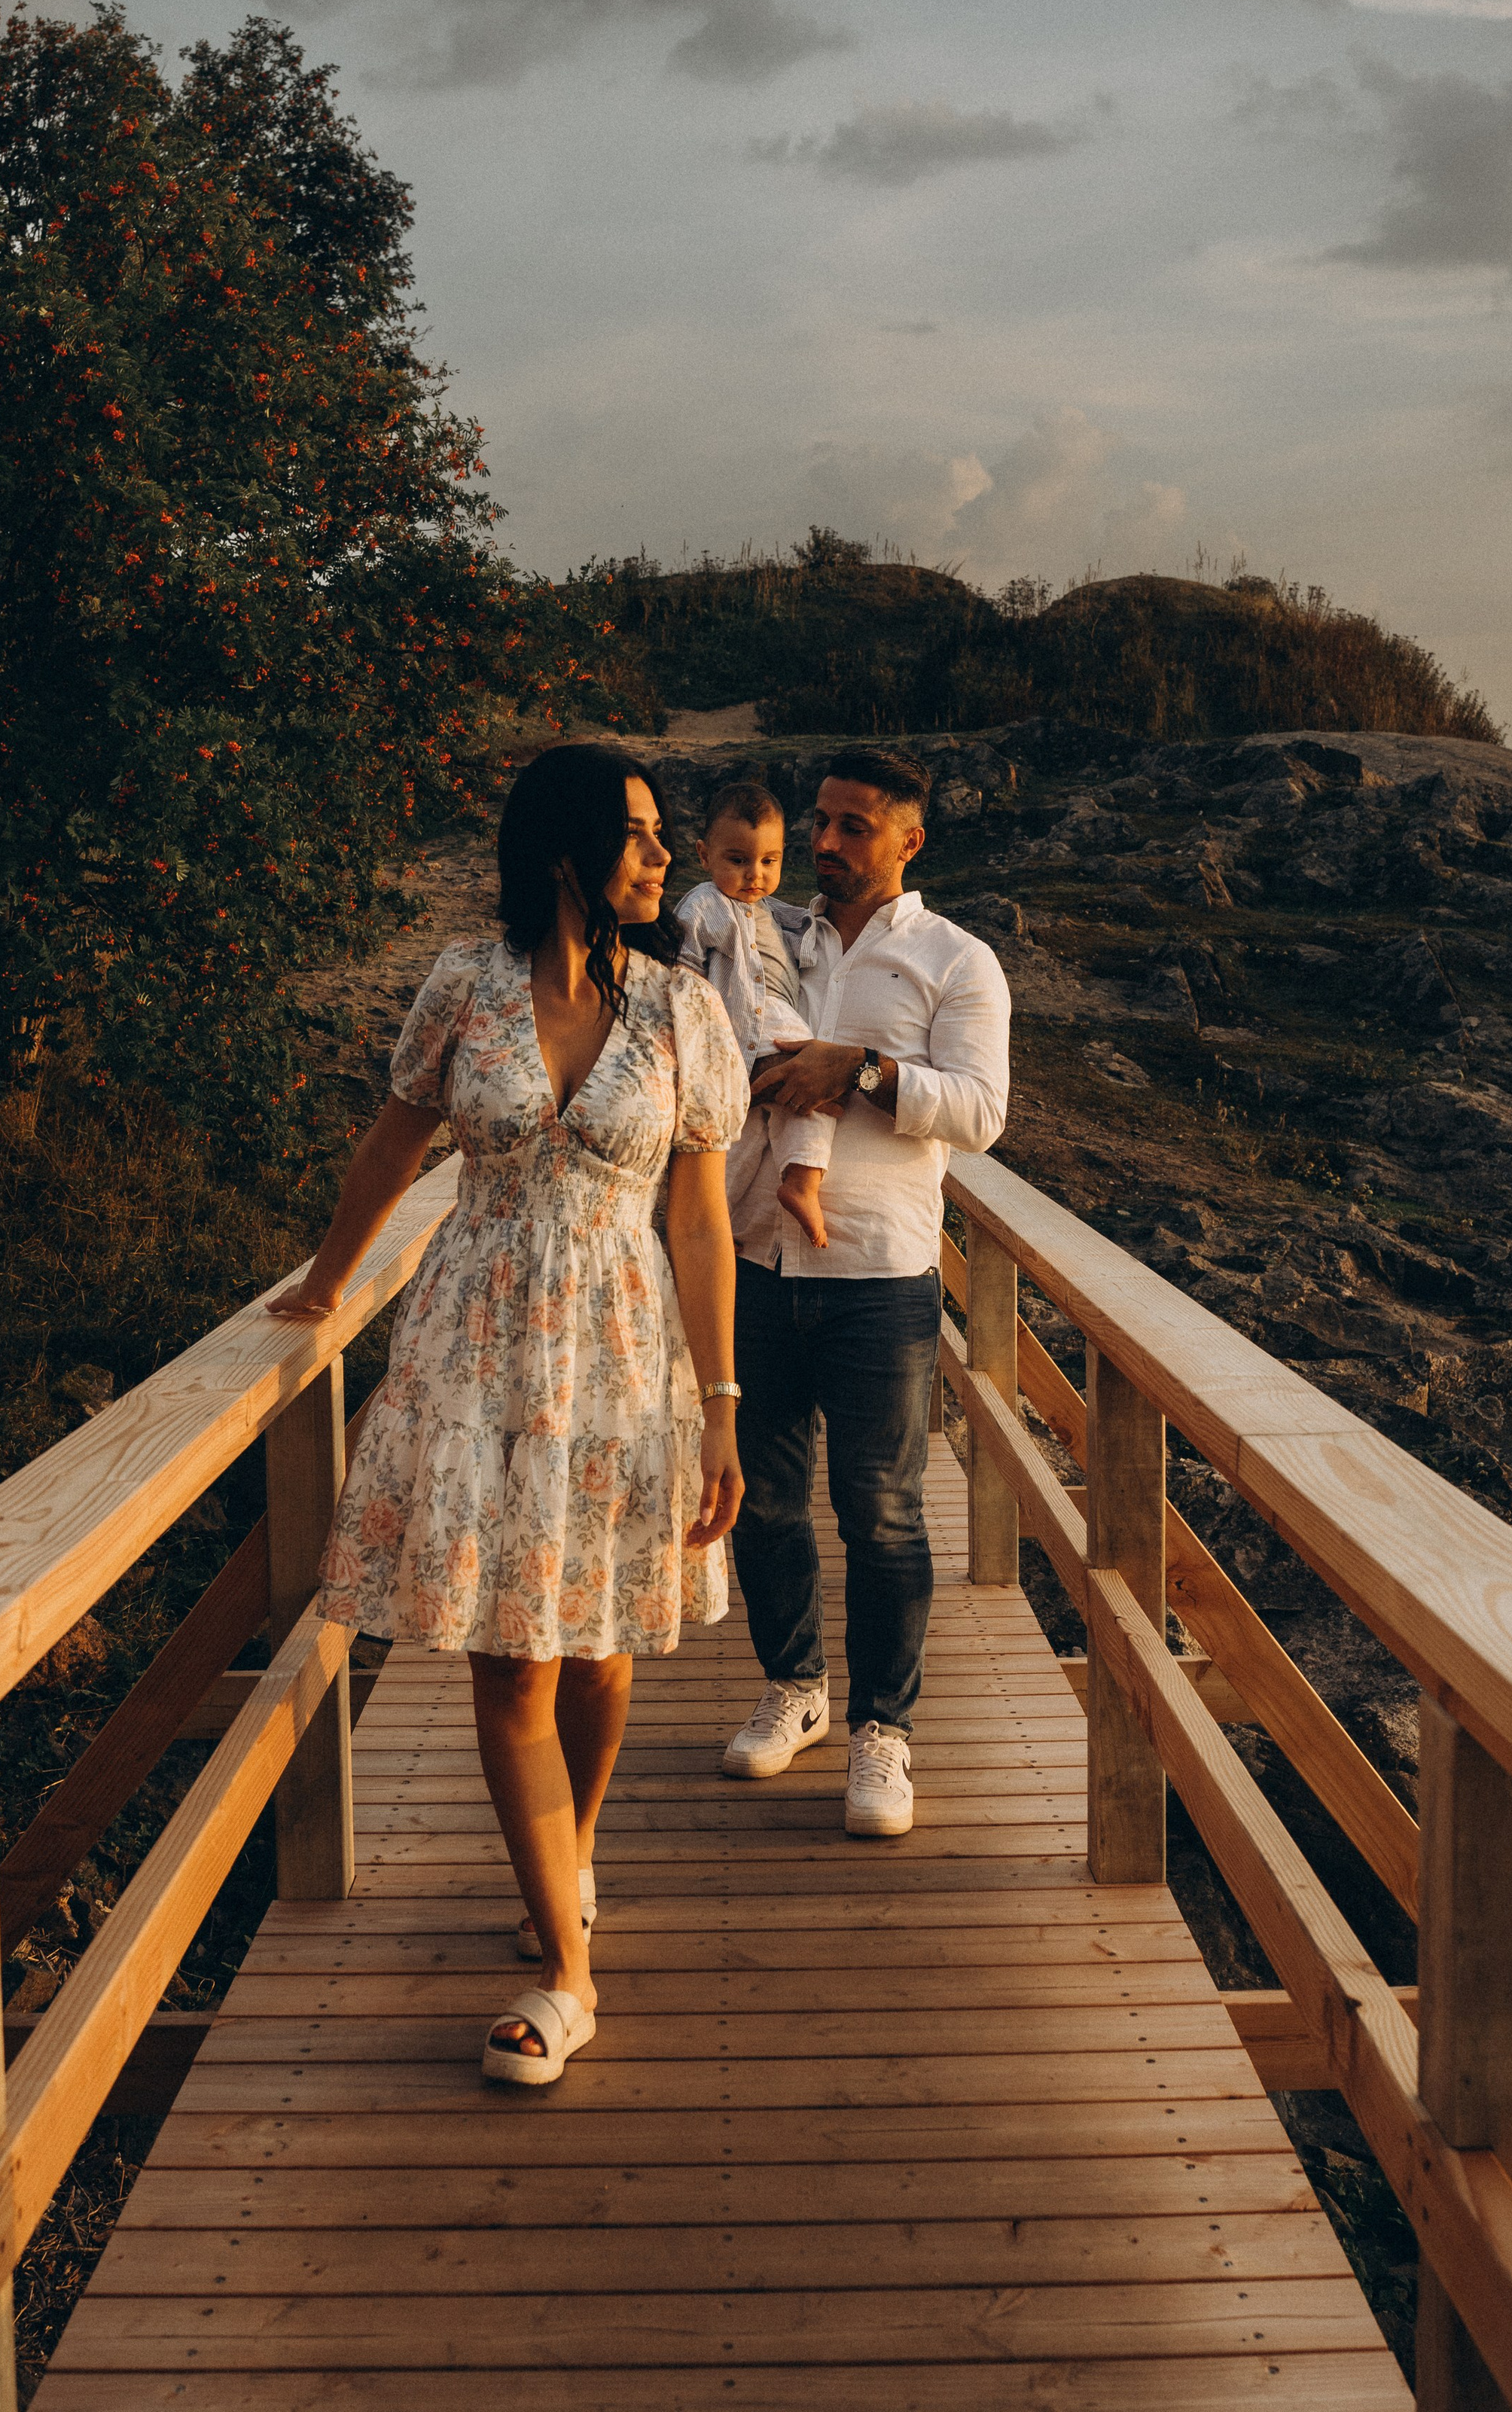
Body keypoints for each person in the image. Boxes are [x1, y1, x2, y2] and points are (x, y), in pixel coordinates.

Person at [266, 744, 748, 2086]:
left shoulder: (682, 1011)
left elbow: (701, 1222)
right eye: (638, 836)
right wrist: (325, 1285)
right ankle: (568, 1978)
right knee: (512, 1659)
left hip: (621, 1358)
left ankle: (568, 1861)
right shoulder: (466, 988)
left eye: (661, 834)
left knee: (597, 1647)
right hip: (478, 1353)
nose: (664, 856)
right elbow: (395, 1141)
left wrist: (720, 1404)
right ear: (565, 854)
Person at [718, 746, 1011, 1839]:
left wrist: (863, 1069)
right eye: (821, 821)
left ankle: (883, 1731)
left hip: (880, 1276)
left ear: (909, 841)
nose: (826, 842)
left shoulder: (956, 960)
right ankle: (794, 1687)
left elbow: (981, 1114)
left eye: (853, 826)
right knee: (763, 1499)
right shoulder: (761, 933)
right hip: (752, 1260)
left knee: (881, 1512)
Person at [675, 779, 834, 1249]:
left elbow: (800, 940)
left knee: (747, 1132)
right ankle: (801, 1182)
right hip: (753, 1017)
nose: (754, 875)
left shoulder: (772, 911)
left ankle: (722, 1222)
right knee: (818, 1090)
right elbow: (682, 965)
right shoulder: (706, 903)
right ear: (704, 855)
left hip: (768, 1023)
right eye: (738, 860)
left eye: (769, 861)